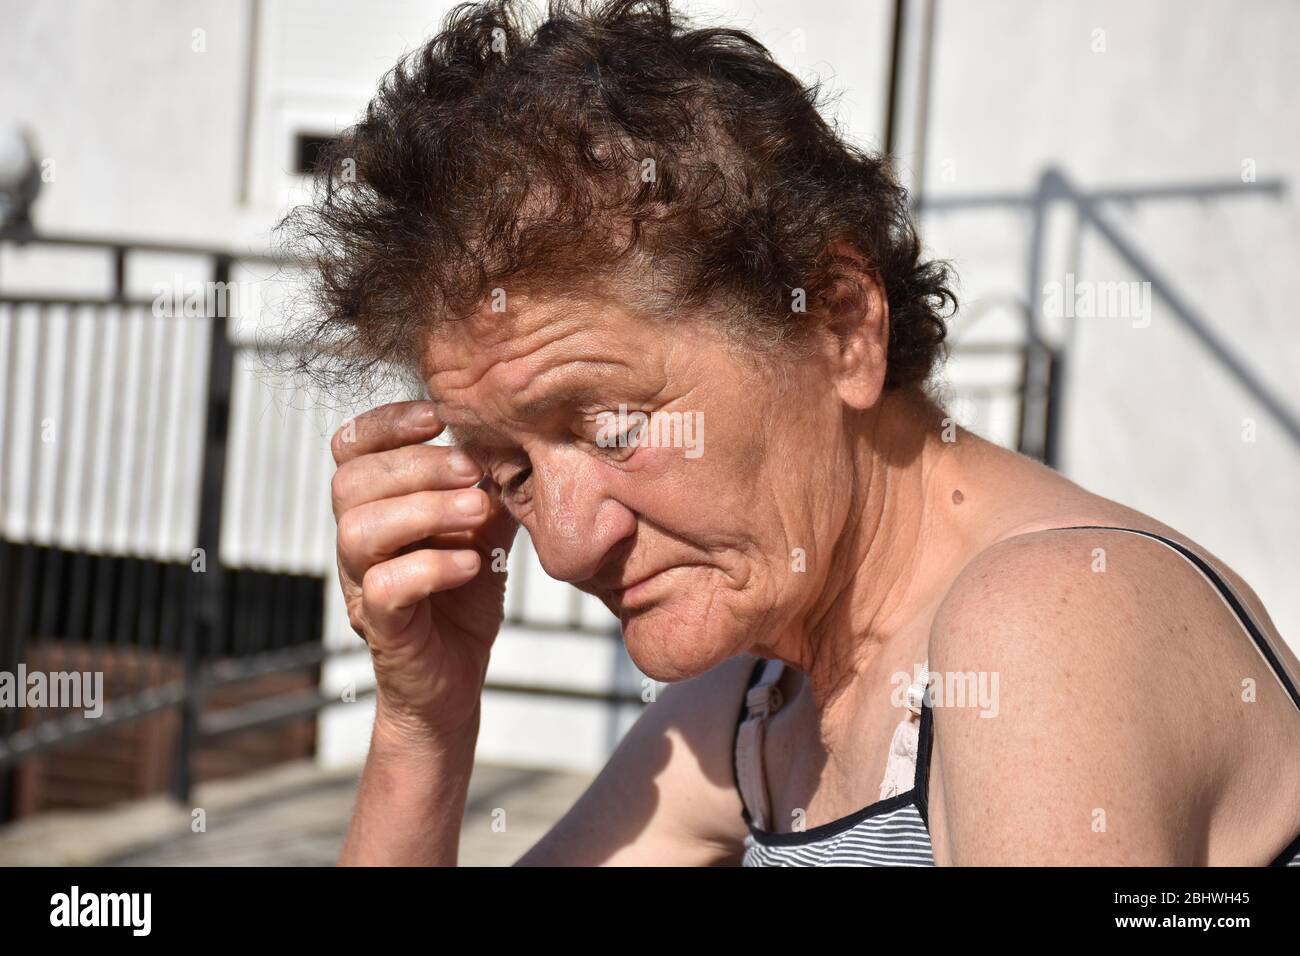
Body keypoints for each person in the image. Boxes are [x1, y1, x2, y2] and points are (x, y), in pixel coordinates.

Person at [285, 0, 1300, 865]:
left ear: (841, 324)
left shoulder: (1049, 620)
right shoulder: (759, 701)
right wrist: (424, 722)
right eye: (509, 472)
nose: (559, 544)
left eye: (614, 425)